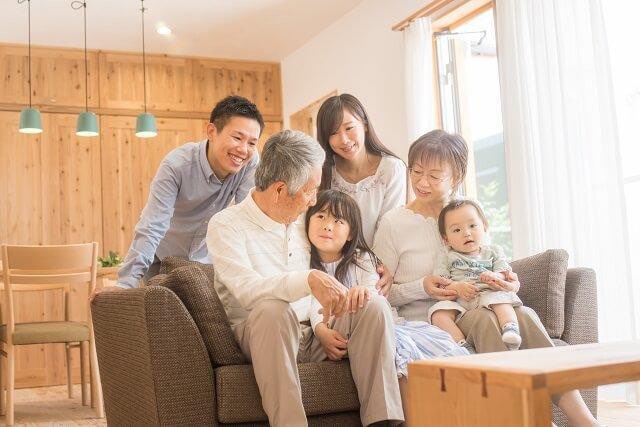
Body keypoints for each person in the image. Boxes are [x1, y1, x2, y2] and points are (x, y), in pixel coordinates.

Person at [373, 129, 599, 426]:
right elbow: (380, 295)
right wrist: (422, 287)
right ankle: (533, 419)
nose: (422, 182)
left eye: (434, 175)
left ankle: (584, 420)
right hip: (434, 321)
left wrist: (510, 281)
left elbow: (491, 259)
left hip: (480, 303)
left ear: (456, 177)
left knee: (525, 316)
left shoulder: (467, 213)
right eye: (416, 172)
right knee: (485, 321)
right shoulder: (393, 223)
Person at [206, 130, 403, 426]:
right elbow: (246, 290)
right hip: (263, 332)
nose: (313, 202)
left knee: (373, 306)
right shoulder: (226, 225)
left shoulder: (304, 223)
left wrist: (374, 268)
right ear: (279, 190)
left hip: (314, 330)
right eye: (310, 191)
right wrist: (308, 280)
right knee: (274, 310)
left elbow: (341, 254)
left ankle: (383, 421)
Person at [306, 189, 467, 421]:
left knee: (404, 353)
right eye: (321, 216)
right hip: (332, 331)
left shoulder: (362, 259)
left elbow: (374, 294)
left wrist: (361, 292)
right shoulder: (304, 260)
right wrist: (320, 329)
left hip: (372, 328)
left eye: (338, 221)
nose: (327, 226)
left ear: (351, 234)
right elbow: (311, 302)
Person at [116, 95, 263, 289]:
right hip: (162, 261)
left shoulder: (249, 164)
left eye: (252, 143)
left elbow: (247, 219)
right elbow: (152, 226)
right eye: (237, 137)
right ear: (211, 131)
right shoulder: (176, 165)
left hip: (205, 264)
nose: (243, 150)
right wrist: (125, 284)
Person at [316, 93, 406, 295]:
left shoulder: (392, 169)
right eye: (333, 133)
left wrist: (379, 268)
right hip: (332, 269)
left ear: (364, 124)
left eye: (349, 128)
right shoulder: (324, 172)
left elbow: (389, 228)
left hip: (377, 270)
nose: (344, 139)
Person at [431, 199, 523, 352]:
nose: (467, 233)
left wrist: (495, 276)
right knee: (438, 315)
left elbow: (504, 272)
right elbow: (441, 281)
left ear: (484, 226)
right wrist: (456, 287)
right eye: (457, 230)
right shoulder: (446, 255)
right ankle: (462, 346)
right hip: (459, 300)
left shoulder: (493, 251)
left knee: (501, 300)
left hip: (488, 293)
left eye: (472, 226)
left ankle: (510, 329)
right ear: (446, 239)